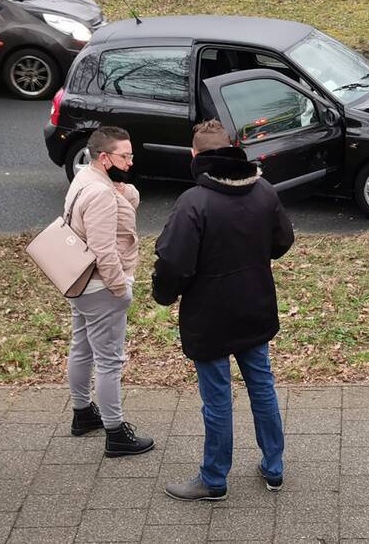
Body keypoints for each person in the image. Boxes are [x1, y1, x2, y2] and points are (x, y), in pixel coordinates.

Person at [153, 120, 294, 501]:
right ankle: (274, 467)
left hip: (209, 318)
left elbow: (173, 264)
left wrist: (164, 296)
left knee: (217, 400)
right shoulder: (263, 190)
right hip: (255, 307)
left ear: (195, 156)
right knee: (262, 388)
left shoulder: (193, 203)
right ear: (233, 150)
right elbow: (283, 241)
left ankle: (214, 479)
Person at [64, 126, 153, 457]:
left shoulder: (86, 178)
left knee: (82, 347)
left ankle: (82, 413)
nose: (130, 162)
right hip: (102, 286)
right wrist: (120, 290)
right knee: (109, 361)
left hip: (78, 280)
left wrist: (124, 192)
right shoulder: (101, 193)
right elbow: (104, 250)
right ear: (105, 158)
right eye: (124, 156)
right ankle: (116, 433)